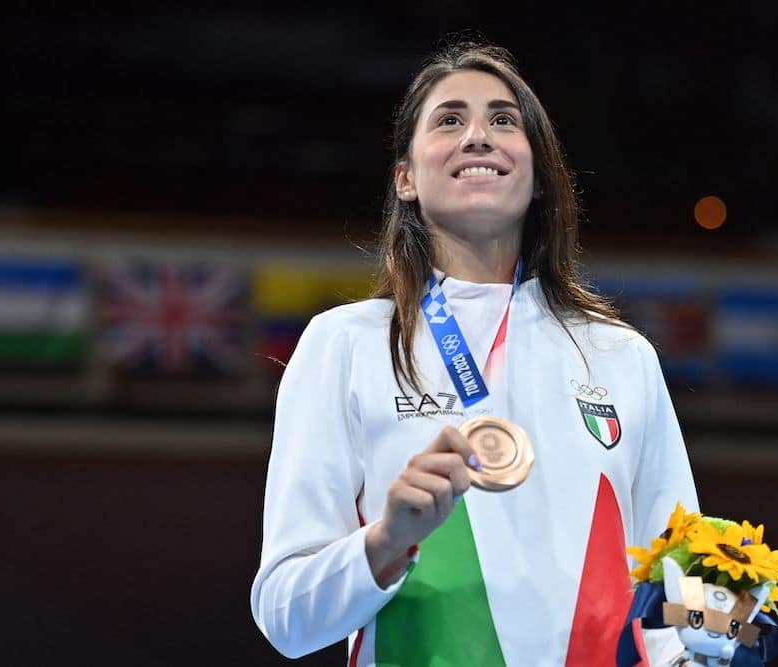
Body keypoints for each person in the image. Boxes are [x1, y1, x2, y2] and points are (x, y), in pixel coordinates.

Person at [251, 41, 698, 666]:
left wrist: (722, 619)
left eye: (504, 120)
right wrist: (386, 541)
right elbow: (285, 617)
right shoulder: (344, 345)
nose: (479, 136)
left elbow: (678, 586)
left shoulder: (621, 356)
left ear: (539, 174)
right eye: (449, 119)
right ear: (405, 178)